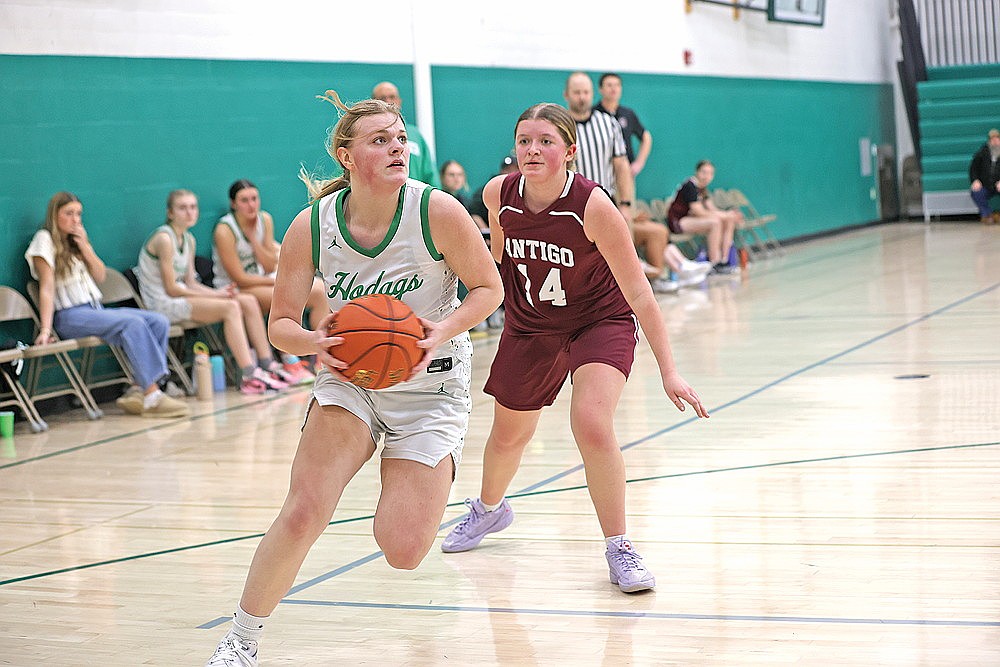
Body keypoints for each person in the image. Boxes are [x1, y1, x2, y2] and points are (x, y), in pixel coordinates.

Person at [205, 91, 503, 666]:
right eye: (380, 140)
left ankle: (416, 472)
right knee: (304, 508)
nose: (397, 149)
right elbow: (281, 326)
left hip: (431, 383)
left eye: (400, 139)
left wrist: (439, 330)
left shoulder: (437, 211)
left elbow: (489, 289)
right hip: (352, 379)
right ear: (346, 156)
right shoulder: (312, 226)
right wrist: (317, 342)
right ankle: (240, 640)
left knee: (403, 549)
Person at [440, 103, 709, 594]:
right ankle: (490, 510)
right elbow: (497, 258)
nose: (532, 150)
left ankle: (619, 546)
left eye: (545, 141)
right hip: (531, 326)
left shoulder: (592, 205)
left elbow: (640, 293)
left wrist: (669, 370)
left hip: (598, 322)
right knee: (508, 435)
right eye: (524, 140)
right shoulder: (498, 194)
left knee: (590, 421)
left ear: (569, 151)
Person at [24, 192, 189, 418]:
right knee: (132, 324)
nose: (75, 220)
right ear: (55, 215)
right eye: (69, 214)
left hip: (94, 310)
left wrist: (85, 247)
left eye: (78, 214)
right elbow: (46, 288)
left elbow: (100, 276)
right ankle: (152, 395)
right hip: (69, 315)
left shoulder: (77, 242)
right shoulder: (44, 239)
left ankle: (138, 388)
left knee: (157, 321)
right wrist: (45, 330)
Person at [136, 189, 294, 395]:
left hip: (181, 297)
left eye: (193, 207)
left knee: (247, 300)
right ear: (170, 213)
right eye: (182, 208)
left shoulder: (189, 239)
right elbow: (172, 289)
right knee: (230, 307)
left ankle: (267, 364)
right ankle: (249, 374)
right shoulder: (164, 239)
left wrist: (217, 293)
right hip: (161, 303)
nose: (189, 212)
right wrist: (216, 295)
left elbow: (190, 283)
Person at [212, 179, 325, 383]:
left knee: (319, 291)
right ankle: (289, 359)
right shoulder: (225, 230)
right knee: (283, 296)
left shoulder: (264, 219)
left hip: (262, 280)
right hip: (235, 288)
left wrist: (254, 240)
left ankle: (321, 356)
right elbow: (240, 278)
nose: (251, 205)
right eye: (244, 200)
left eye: (254, 199)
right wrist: (278, 283)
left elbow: (268, 265)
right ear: (233, 204)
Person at [666, 160, 741, 275]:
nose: (706, 176)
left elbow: (712, 209)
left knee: (728, 220)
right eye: (704, 172)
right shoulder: (690, 186)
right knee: (715, 223)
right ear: (697, 172)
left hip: (692, 220)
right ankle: (714, 262)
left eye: (710, 173)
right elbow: (699, 212)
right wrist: (725, 215)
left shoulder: (703, 189)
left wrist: (729, 215)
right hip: (678, 221)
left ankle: (724, 260)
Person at [372, 81, 441, 187]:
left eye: (392, 97)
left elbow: (430, 174)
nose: (388, 102)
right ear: (373, 103)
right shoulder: (368, 134)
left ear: (399, 101)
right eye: (382, 98)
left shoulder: (415, 134)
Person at [595, 72, 652, 178]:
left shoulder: (628, 114)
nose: (613, 89)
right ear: (600, 89)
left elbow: (646, 137)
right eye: (609, 85)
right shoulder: (594, 114)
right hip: (601, 173)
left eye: (617, 85)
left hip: (625, 172)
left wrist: (639, 163)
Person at [440, 159, 487, 232]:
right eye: (451, 175)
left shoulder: (466, 202)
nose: (456, 179)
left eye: (460, 174)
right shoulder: (438, 201)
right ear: (442, 177)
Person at [969, 128, 1000, 224]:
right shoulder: (981, 153)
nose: (995, 141)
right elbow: (973, 169)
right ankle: (987, 214)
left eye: (997, 138)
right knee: (976, 192)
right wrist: (975, 180)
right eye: (992, 139)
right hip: (986, 185)